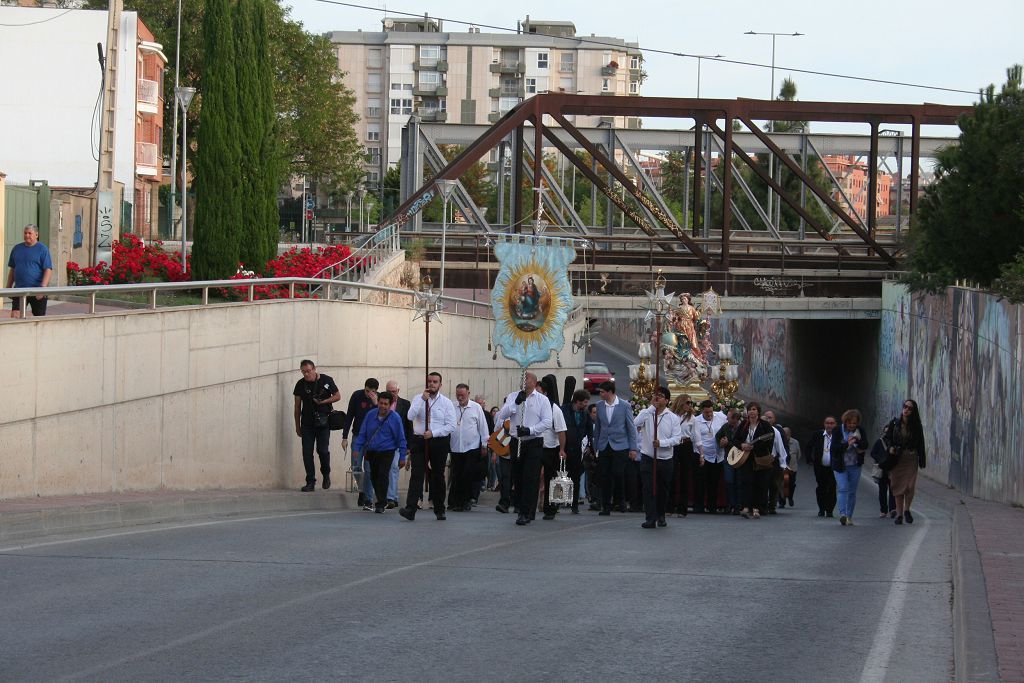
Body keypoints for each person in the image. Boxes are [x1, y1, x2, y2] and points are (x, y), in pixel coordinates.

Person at [495, 371, 553, 526]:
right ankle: (520, 507)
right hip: (516, 441)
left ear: (534, 382)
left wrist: (530, 430)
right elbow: (502, 415)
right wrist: (515, 404)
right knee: (518, 476)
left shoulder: (542, 400)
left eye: (526, 379)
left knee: (531, 477)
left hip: (533, 442)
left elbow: (547, 421)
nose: (523, 381)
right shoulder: (513, 396)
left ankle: (526, 511)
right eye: (522, 378)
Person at [400, 372, 457, 521]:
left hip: (438, 441)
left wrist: (434, 433)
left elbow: (451, 425)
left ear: (440, 385)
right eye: (430, 381)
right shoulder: (418, 399)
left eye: (435, 382)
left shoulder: (446, 403)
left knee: (437, 475)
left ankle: (439, 509)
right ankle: (411, 508)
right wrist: (421, 400)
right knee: (417, 474)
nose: (432, 384)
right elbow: (410, 417)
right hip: (419, 441)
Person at [634, 386, 682, 529]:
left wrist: (661, 443)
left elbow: (677, 438)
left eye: (660, 396)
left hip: (665, 458)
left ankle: (661, 514)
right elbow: (635, 423)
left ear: (667, 400)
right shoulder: (647, 413)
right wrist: (650, 408)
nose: (657, 397)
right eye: (655, 395)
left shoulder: (673, 418)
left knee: (662, 489)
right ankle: (650, 518)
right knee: (648, 488)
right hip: (648, 457)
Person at [352, 391, 408, 513]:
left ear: (390, 404)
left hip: (387, 451)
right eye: (381, 403)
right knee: (373, 476)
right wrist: (357, 448)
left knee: (382, 475)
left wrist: (402, 456)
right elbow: (362, 433)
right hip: (372, 450)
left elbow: (401, 438)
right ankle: (381, 498)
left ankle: (381, 503)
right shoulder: (370, 415)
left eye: (385, 404)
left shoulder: (395, 418)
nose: (383, 406)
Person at [292, 360, 340, 492]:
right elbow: (297, 407)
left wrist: (324, 401)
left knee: (322, 450)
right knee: (307, 452)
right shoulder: (300, 385)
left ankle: (326, 473)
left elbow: (337, 396)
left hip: (323, 422)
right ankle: (310, 481)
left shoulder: (326, 380)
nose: (306, 374)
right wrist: (297, 426)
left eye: (308, 371)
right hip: (307, 423)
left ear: (314, 369)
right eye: (303, 372)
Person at [592, 380, 638, 516]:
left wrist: (633, 448)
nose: (600, 394)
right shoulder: (599, 406)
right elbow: (598, 427)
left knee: (618, 473)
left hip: (621, 445)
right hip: (605, 444)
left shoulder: (624, 406)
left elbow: (631, 428)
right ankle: (606, 506)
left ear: (610, 392)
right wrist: (596, 446)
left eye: (602, 392)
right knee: (605, 475)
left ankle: (620, 500)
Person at [884, 399, 927, 525]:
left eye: (909, 408)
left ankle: (907, 509)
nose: (906, 409)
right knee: (897, 485)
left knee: (909, 486)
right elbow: (887, 438)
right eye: (905, 407)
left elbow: (921, 443)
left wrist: (922, 459)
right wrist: (890, 447)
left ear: (913, 412)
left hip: (911, 457)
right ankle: (899, 514)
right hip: (897, 458)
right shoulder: (894, 423)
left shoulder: (916, 426)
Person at [448, 383, 489, 512]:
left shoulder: (476, 408)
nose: (460, 398)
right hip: (455, 447)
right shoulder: (451, 406)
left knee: (467, 474)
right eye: (458, 395)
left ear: (468, 394)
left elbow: (483, 427)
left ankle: (464, 502)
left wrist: (484, 445)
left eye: (462, 395)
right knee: (456, 475)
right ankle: (453, 502)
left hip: (471, 447)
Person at [732, 402, 775, 519]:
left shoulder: (764, 425)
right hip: (746, 458)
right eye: (749, 409)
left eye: (754, 409)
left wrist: (755, 447)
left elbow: (769, 440)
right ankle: (746, 507)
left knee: (759, 483)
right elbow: (735, 439)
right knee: (746, 481)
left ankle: (757, 508)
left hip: (759, 458)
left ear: (758, 412)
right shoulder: (743, 425)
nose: (751, 412)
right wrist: (742, 445)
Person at [342, 378, 379, 509]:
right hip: (358, 436)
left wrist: (375, 403)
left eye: (372, 392)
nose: (369, 393)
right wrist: (344, 436)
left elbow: (381, 418)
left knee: (369, 469)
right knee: (356, 466)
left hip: (372, 440)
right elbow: (350, 415)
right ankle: (362, 491)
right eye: (367, 390)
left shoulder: (379, 400)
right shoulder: (357, 395)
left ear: (376, 391)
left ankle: (368, 499)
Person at [537, 375, 568, 521]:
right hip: (534, 446)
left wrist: (562, 449)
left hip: (550, 447)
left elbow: (561, 430)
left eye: (538, 392)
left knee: (551, 478)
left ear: (545, 393)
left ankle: (551, 509)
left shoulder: (554, 408)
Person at [6, 224, 53, 318]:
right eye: (25, 233)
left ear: (36, 235)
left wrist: (42, 289)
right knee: (15, 316)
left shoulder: (43, 249)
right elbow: (13, 269)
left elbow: (48, 269)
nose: (27, 235)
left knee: (38, 318)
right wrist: (8, 287)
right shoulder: (17, 249)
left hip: (37, 290)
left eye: (29, 233)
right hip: (19, 290)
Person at [691, 400, 729, 514]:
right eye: (707, 412)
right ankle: (699, 506)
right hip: (702, 455)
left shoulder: (721, 417)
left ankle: (712, 506)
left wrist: (726, 439)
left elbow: (727, 429)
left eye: (711, 412)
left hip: (718, 455)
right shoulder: (696, 421)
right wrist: (700, 454)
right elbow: (695, 439)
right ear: (702, 410)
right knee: (700, 482)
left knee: (714, 482)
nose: (709, 414)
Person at [832, 409, 868, 526]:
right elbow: (834, 449)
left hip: (855, 465)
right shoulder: (838, 430)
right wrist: (847, 444)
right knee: (843, 488)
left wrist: (857, 440)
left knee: (852, 492)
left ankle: (849, 516)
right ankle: (842, 514)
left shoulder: (860, 430)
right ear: (845, 422)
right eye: (850, 423)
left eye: (854, 423)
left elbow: (866, 445)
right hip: (840, 465)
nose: (852, 425)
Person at [561, 389, 592, 515]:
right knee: (562, 475)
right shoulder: (564, 411)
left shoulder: (585, 414)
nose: (586, 405)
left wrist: (589, 445)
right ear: (577, 401)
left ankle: (574, 504)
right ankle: (560, 500)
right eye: (584, 402)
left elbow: (589, 430)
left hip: (578, 450)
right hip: (565, 448)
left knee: (576, 477)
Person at [385, 380, 413, 510]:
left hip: (398, 443)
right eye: (389, 391)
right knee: (386, 470)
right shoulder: (382, 403)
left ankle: (391, 497)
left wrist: (408, 446)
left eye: (394, 392)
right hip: (383, 443)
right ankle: (392, 497)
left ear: (398, 391)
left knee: (393, 468)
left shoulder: (405, 404)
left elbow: (409, 426)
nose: (391, 394)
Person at [806, 416, 841, 517]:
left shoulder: (839, 436)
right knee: (821, 487)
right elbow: (809, 446)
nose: (829, 425)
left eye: (832, 423)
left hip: (834, 467)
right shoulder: (817, 435)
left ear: (835, 424)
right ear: (824, 424)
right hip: (820, 467)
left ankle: (829, 510)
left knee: (832, 488)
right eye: (827, 423)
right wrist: (809, 459)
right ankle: (821, 508)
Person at [668, 394, 694, 517]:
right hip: (674, 445)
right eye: (688, 403)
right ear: (681, 403)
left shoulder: (691, 418)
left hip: (686, 445)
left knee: (684, 477)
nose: (690, 405)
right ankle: (669, 506)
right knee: (671, 475)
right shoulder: (671, 416)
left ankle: (682, 509)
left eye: (691, 403)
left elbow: (696, 436)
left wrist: (701, 453)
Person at [762, 410, 790, 514]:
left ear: (774, 419)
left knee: (774, 484)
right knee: (763, 484)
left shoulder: (778, 431)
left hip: (775, 461)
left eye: (770, 418)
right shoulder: (759, 429)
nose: (768, 420)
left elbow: (783, 447)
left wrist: (785, 462)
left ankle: (772, 506)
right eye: (766, 417)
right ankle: (763, 505)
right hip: (763, 461)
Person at [719, 408, 743, 514]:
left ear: (736, 419)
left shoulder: (743, 428)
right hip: (728, 458)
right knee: (729, 481)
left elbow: (741, 444)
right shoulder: (726, 427)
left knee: (738, 482)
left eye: (728, 418)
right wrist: (721, 442)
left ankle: (738, 506)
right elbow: (718, 436)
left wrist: (728, 443)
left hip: (740, 458)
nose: (726, 419)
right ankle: (730, 504)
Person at [783, 426, 800, 508]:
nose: (785, 436)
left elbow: (798, 455)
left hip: (792, 467)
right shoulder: (780, 442)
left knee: (792, 484)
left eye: (787, 435)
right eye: (784, 434)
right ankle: (781, 501)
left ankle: (790, 497)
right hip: (782, 467)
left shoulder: (795, 442)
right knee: (781, 484)